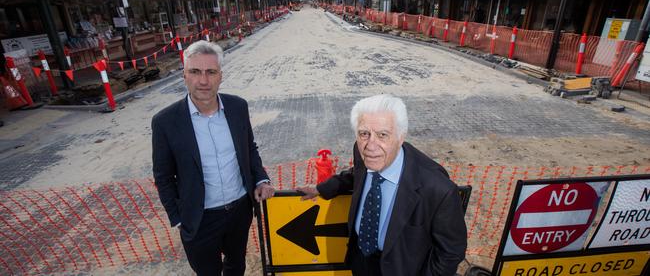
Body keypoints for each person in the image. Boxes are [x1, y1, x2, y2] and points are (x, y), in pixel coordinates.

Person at [299, 94, 467, 276]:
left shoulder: (438, 190)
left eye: (382, 135)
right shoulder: (362, 151)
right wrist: (322, 188)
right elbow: (357, 174)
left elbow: (451, 252)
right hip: (361, 259)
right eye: (364, 133)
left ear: (401, 137)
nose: (371, 146)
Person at [152, 40, 274, 275]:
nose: (204, 80)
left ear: (221, 76)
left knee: (236, 264)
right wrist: (178, 218)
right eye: (195, 72)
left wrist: (261, 179)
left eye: (211, 72)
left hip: (239, 210)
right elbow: (163, 176)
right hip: (198, 219)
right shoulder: (165, 122)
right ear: (184, 75)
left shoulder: (238, 107)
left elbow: (249, 148)